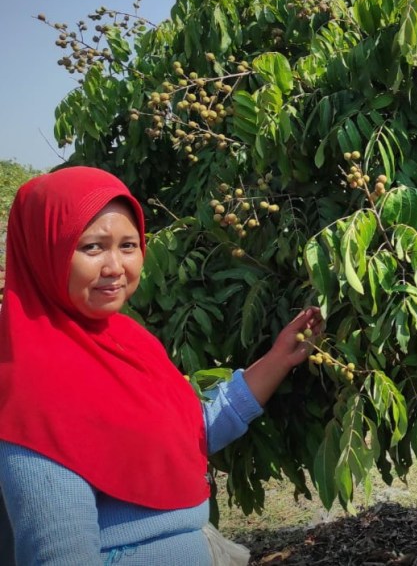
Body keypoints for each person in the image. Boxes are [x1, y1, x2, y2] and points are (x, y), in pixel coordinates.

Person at [0, 166, 321, 565]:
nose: (115, 267)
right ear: (44, 252)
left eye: (128, 245)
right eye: (92, 247)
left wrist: (278, 359)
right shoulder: (33, 391)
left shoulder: (128, 341)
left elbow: (189, 431)